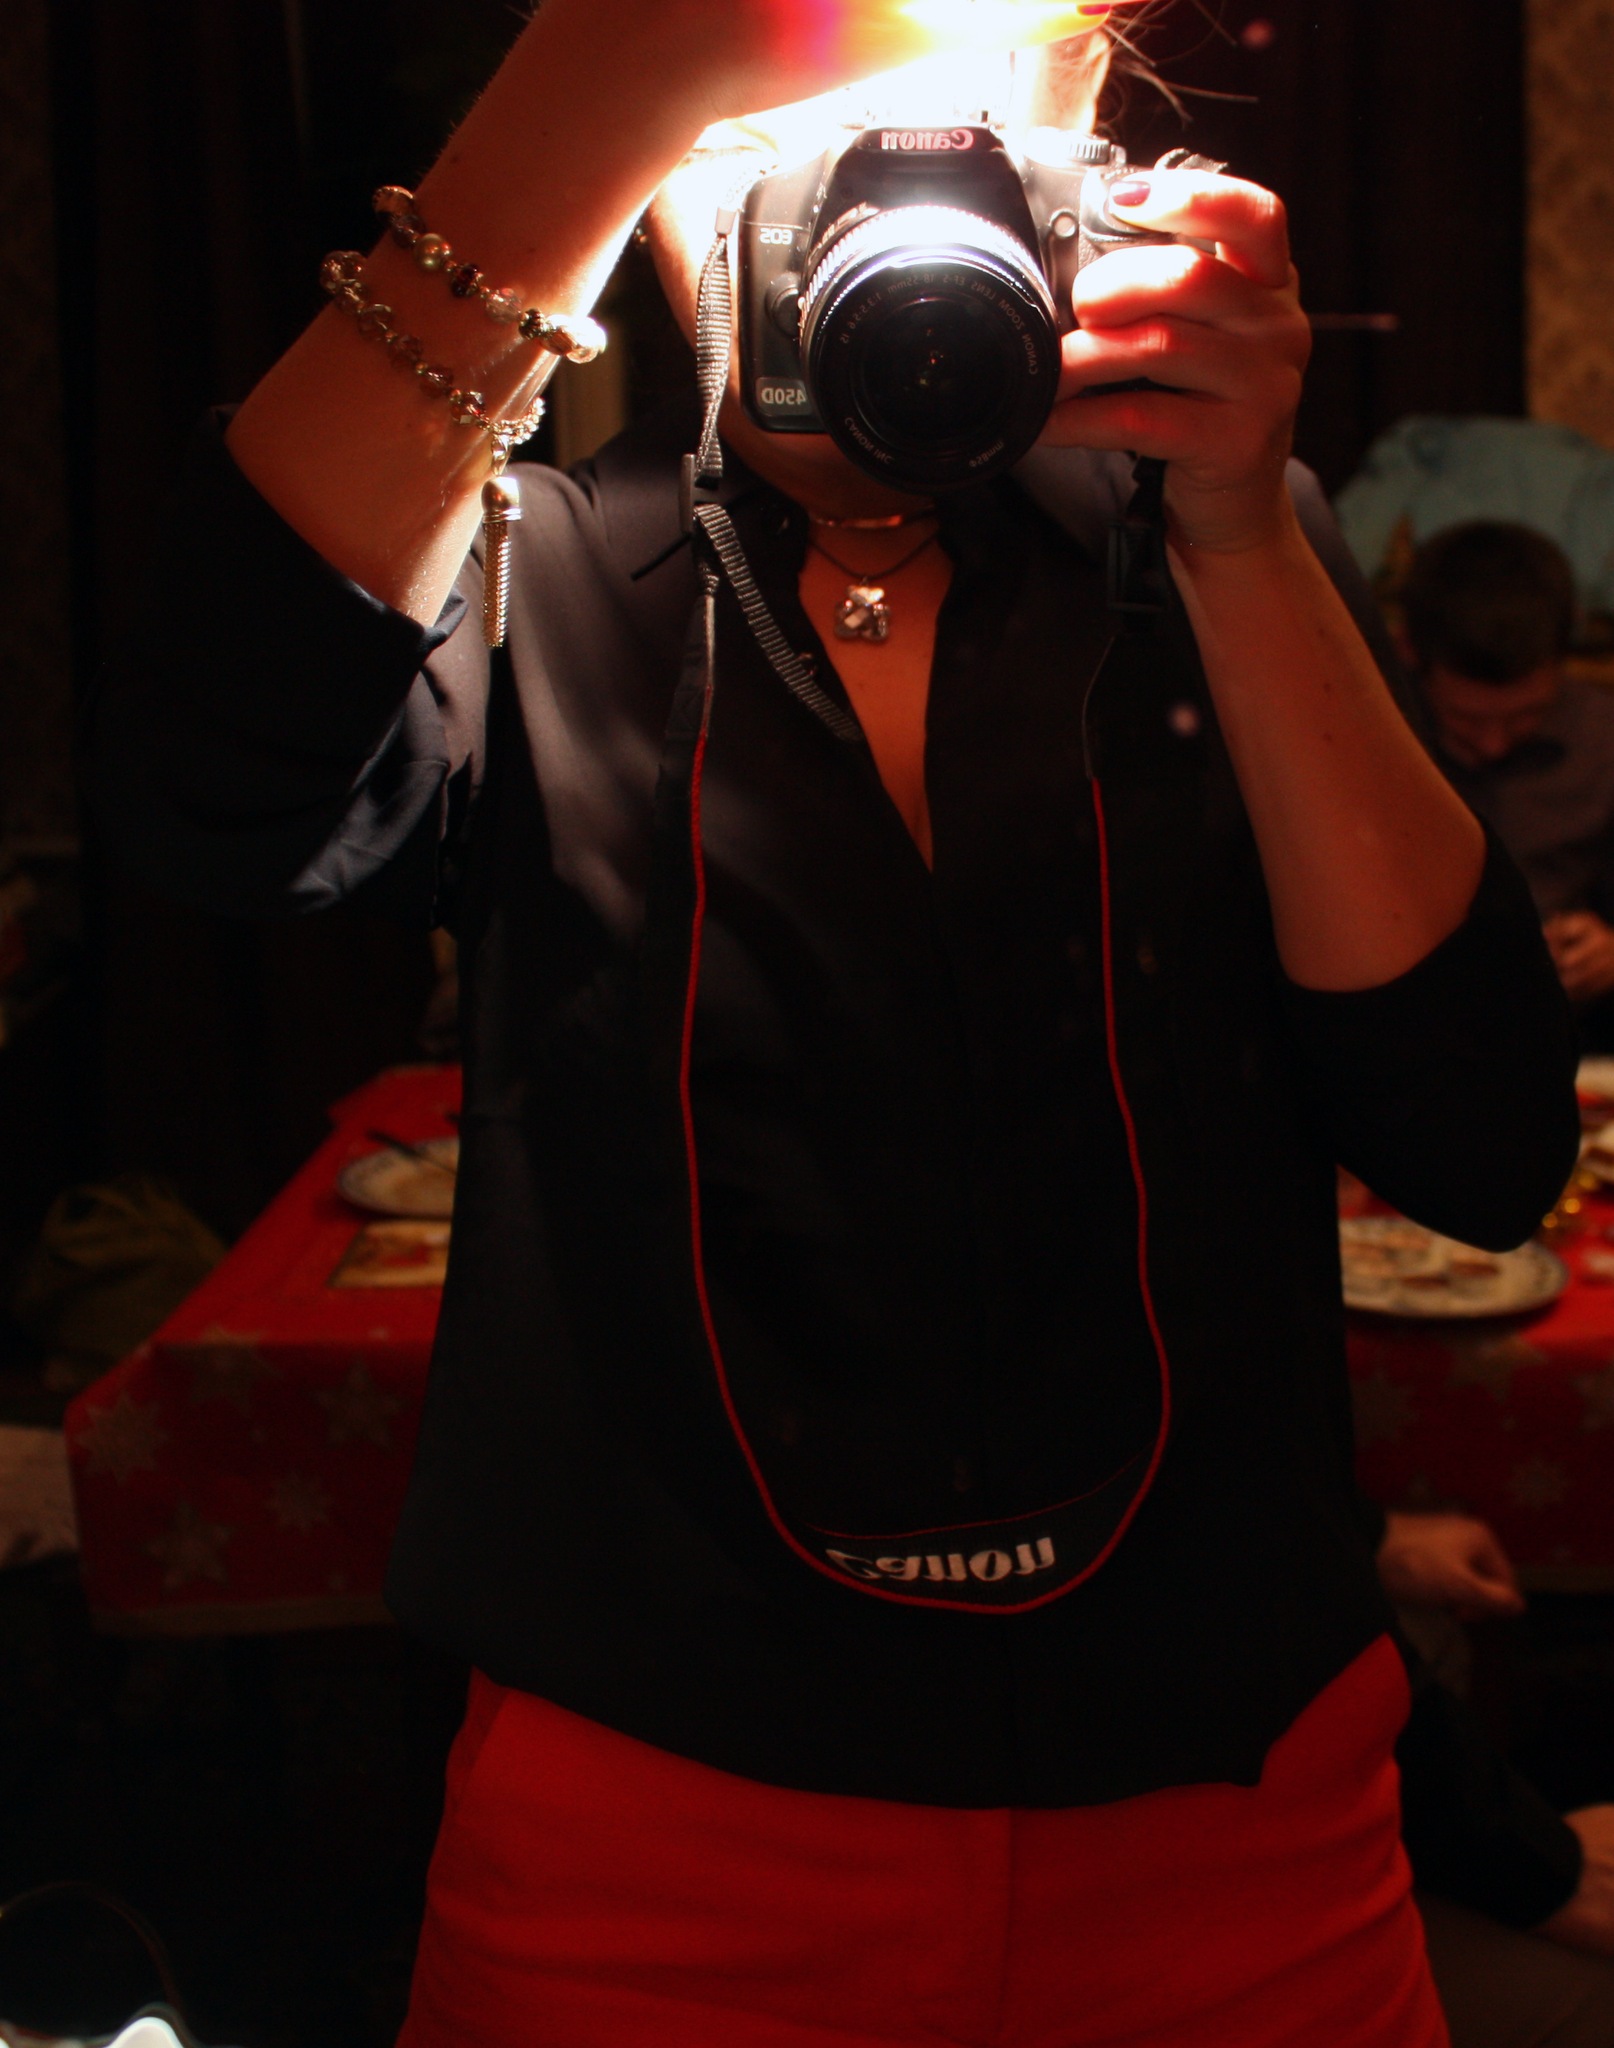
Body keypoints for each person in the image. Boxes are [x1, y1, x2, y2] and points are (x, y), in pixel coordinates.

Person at [85, 2, 1580, 2042]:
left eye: (951, 141)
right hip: (644, 1838)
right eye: (786, 135)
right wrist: (593, 88)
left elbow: (1480, 1145)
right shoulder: (521, 567)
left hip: (1236, 1821)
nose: (887, 211)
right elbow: (203, 803)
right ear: (654, 193)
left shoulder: (1219, 544)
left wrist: (1235, 530)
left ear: (1080, 160)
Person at [1399, 521, 1614, 1020]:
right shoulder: (1360, 735)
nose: (1493, 744)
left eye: (1524, 716)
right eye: (1466, 719)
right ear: (1409, 652)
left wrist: (1606, 950)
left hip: (1565, 1025)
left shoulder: (1602, 744)